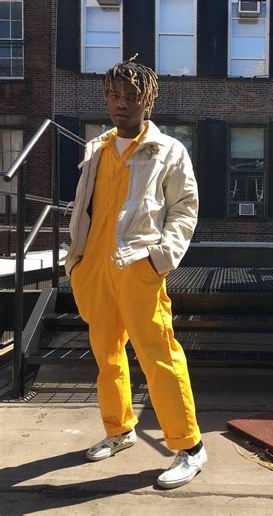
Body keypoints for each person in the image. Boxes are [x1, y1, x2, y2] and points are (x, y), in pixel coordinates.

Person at [65, 55, 206, 489]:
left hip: (138, 266)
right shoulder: (98, 148)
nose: (120, 103)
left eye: (130, 96)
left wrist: (161, 259)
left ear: (148, 101)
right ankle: (119, 429)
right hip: (95, 268)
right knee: (107, 356)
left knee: (159, 355)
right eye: (114, 95)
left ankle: (190, 447)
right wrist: (77, 261)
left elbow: (185, 209)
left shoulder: (169, 150)